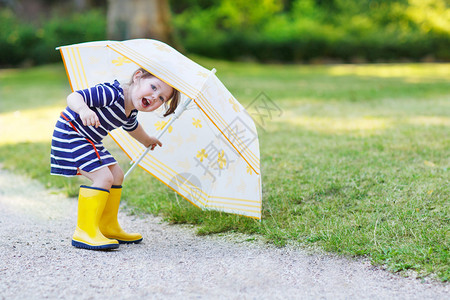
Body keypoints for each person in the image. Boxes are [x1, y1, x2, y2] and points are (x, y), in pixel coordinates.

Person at [50, 68, 180, 250]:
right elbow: (74, 96)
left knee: (117, 174)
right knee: (103, 178)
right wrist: (83, 110)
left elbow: (133, 127)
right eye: (153, 87)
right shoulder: (111, 93)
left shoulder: (131, 111)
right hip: (71, 135)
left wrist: (147, 140)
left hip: (90, 141)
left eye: (161, 99)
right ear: (138, 77)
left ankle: (107, 226)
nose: (154, 97)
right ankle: (84, 231)